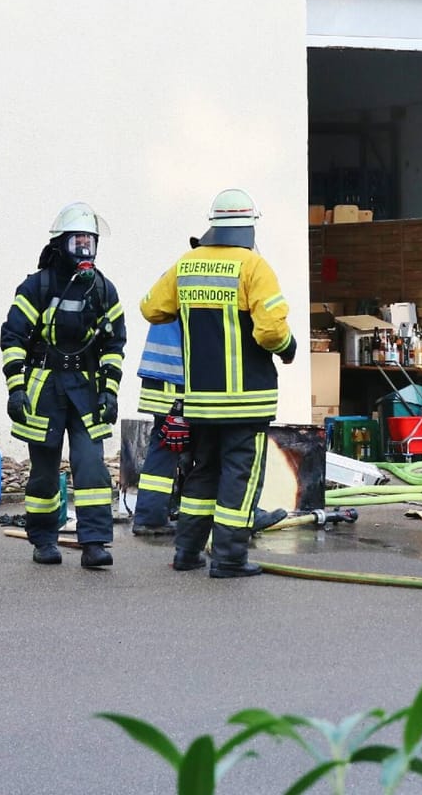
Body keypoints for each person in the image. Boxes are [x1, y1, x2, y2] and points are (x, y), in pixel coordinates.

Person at [141, 189, 295, 578]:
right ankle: (228, 558)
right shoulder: (254, 267)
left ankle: (187, 552)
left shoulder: (186, 265)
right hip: (247, 401)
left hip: (201, 401)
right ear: (249, 225)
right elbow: (270, 330)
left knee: (203, 472)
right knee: (239, 479)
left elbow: (151, 308)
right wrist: (289, 347)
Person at [1, 203, 127, 570]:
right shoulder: (36, 286)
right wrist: (16, 388)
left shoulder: (103, 289)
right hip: (44, 388)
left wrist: (109, 391)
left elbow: (114, 344)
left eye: (90, 241)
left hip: (86, 389)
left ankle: (95, 543)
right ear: (62, 244)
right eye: (79, 241)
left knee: (92, 468)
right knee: (44, 470)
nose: (85, 249)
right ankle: (43, 538)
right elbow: (13, 337)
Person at [129, 318, 186, 537]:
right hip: (176, 375)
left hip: (161, 373)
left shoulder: (169, 283)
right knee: (207, 442)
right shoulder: (192, 282)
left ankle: (151, 517)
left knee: (165, 444)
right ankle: (234, 515)